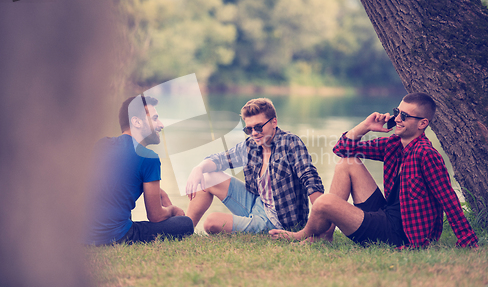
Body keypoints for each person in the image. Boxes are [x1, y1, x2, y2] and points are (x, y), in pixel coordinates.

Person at [270, 93, 478, 248]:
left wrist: (467, 239)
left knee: (324, 202)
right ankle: (325, 236)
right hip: (388, 215)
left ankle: (302, 234)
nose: (397, 119)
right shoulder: (394, 144)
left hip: (402, 234)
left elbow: (448, 198)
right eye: (397, 112)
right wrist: (365, 126)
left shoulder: (426, 155)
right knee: (347, 163)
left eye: (404, 116)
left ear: (423, 123)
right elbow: (342, 149)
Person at [185, 98, 325, 234]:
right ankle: (184, 231)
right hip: (256, 203)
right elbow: (220, 159)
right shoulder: (251, 145)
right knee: (208, 177)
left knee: (211, 222)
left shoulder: (290, 143)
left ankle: (255, 226)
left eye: (258, 127)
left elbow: (310, 179)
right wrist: (198, 169)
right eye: (249, 129)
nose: (254, 133)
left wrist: (320, 226)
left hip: (278, 221)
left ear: (274, 122)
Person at [84, 95, 194, 246]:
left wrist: (158, 191)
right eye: (155, 118)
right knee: (185, 223)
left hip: (85, 236)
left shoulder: (101, 145)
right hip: (116, 237)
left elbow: (111, 186)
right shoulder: (148, 157)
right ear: (136, 121)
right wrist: (172, 210)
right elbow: (156, 217)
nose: (160, 124)